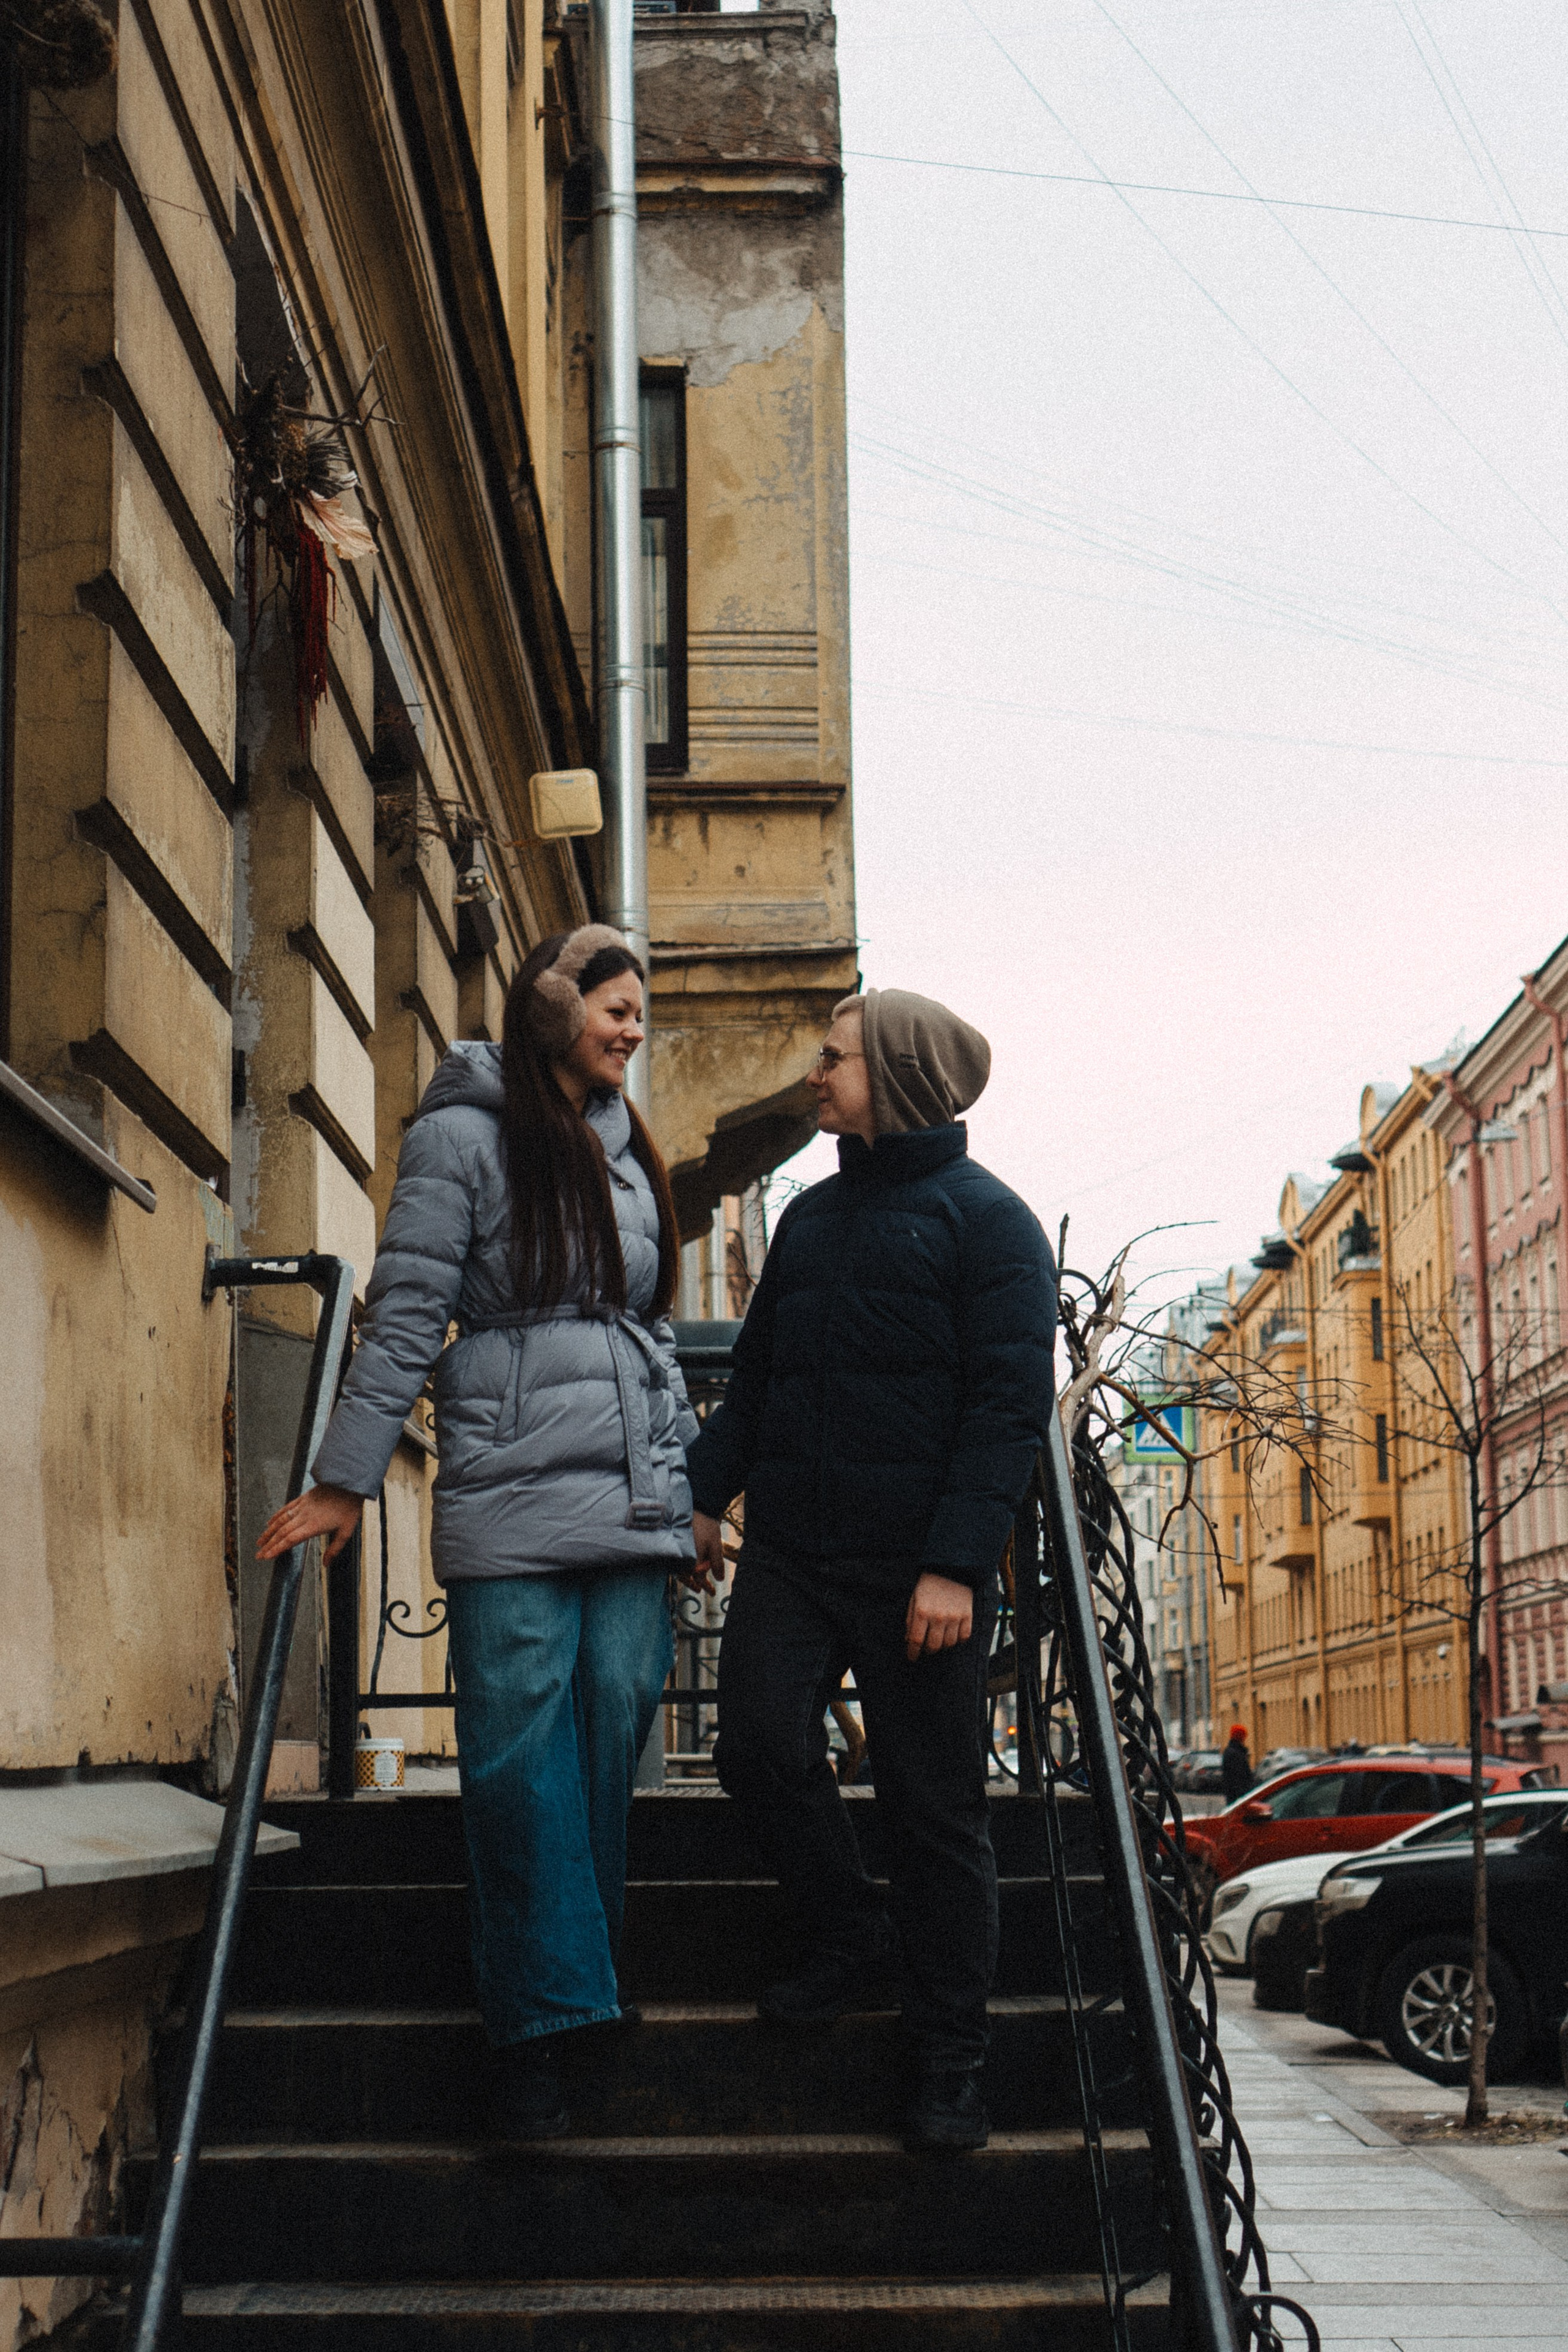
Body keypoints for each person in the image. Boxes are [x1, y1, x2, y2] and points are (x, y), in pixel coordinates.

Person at [255, 925, 704, 2138]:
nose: (630, 1029)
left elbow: (647, 1328)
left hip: (626, 1491)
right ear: (553, 1008)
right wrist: (346, 1475)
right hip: (509, 1488)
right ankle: (539, 2033)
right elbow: (405, 1310)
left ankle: (578, 1981)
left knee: (612, 1722)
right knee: (515, 1756)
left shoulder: (624, 1143)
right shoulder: (459, 1135)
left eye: (637, 1014)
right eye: (614, 1007)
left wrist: (683, 1485)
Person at [687, 988, 1057, 2153]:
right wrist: (703, 1493)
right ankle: (848, 1932)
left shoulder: (990, 1223)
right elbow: (757, 1379)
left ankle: (950, 2061)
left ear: (892, 1076)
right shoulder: (808, 1221)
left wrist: (955, 1565)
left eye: (834, 1058)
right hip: (796, 1552)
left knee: (935, 1816)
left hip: (920, 1578)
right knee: (753, 1742)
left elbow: (1008, 1410)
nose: (814, 1073)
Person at [1221, 1725, 1254, 1803]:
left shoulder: (1232, 1751)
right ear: (1240, 1737)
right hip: (1238, 1795)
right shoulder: (1235, 1753)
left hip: (1234, 1793)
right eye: (1243, 1736)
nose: (1244, 1739)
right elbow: (1238, 1776)